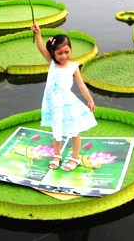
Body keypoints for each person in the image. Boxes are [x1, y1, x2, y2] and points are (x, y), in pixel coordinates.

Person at [31, 22, 97, 171]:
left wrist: (90, 100)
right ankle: (57, 155)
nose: (64, 56)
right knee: (56, 128)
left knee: (74, 130)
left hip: (68, 102)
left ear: (71, 50)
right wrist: (38, 33)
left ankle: (75, 158)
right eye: (59, 53)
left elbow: (81, 85)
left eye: (67, 52)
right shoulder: (52, 63)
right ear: (53, 53)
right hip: (53, 102)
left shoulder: (73, 67)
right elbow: (41, 47)